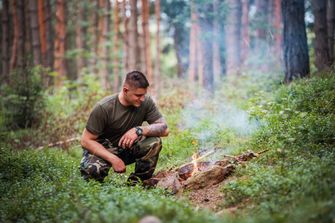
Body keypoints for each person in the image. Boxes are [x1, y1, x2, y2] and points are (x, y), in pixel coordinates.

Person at [80, 71, 169, 184]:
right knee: (92, 171)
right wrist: (114, 159)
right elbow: (85, 140)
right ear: (125, 90)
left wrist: (139, 130)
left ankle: (137, 183)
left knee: (154, 142)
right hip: (104, 149)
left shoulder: (146, 102)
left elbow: (165, 129)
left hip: (127, 148)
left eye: (144, 95)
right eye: (138, 95)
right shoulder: (104, 107)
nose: (142, 99)